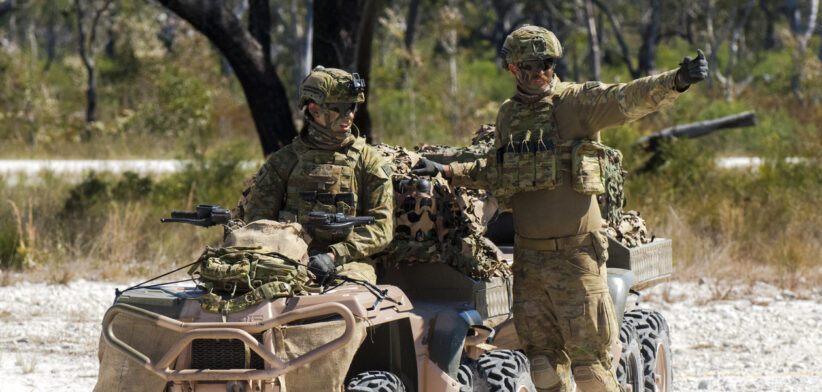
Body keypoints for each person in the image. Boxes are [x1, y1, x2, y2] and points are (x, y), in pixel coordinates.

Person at [413, 25, 707, 392]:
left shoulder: (575, 104)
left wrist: (676, 80)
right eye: (530, 66)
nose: (540, 73)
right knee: (543, 369)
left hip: (577, 256)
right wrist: (446, 171)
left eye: (547, 64)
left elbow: (627, 98)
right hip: (529, 261)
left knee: (591, 370)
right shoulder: (508, 116)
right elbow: (495, 169)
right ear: (512, 69)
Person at [243, 66, 394, 285]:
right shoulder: (282, 163)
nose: (349, 115)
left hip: (348, 264)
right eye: (339, 108)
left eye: (352, 107)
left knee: (346, 299)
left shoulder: (369, 162)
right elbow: (258, 224)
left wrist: (334, 255)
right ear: (313, 109)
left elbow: (381, 228)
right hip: (287, 259)